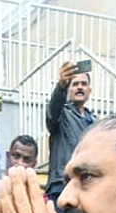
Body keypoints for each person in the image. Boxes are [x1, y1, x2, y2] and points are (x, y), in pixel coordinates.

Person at [45, 60, 95, 201]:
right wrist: (61, 86)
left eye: (84, 84)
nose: (79, 87)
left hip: (86, 187)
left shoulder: (96, 122)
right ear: (68, 89)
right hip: (61, 186)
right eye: (75, 84)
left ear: (89, 91)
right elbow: (52, 112)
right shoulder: (61, 113)